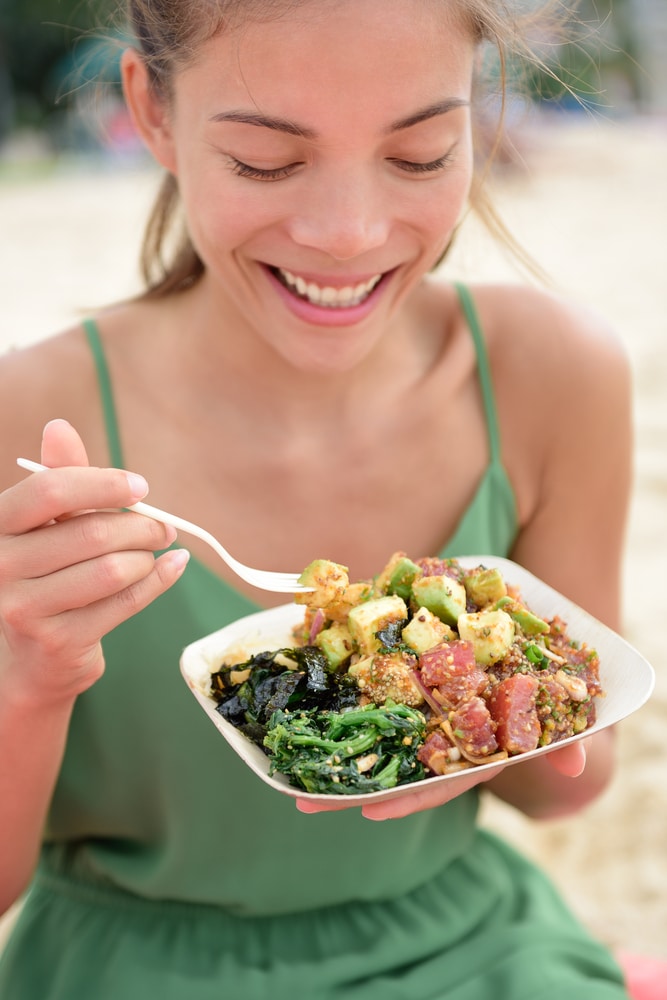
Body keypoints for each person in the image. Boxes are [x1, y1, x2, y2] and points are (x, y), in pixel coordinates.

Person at [0, 0, 639, 996]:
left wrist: (495, 706)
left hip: (471, 947)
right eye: (265, 162)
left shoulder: (552, 374)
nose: (348, 234)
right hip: (131, 966)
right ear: (153, 111)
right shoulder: (30, 425)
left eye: (422, 154)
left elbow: (576, 787)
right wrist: (25, 681)